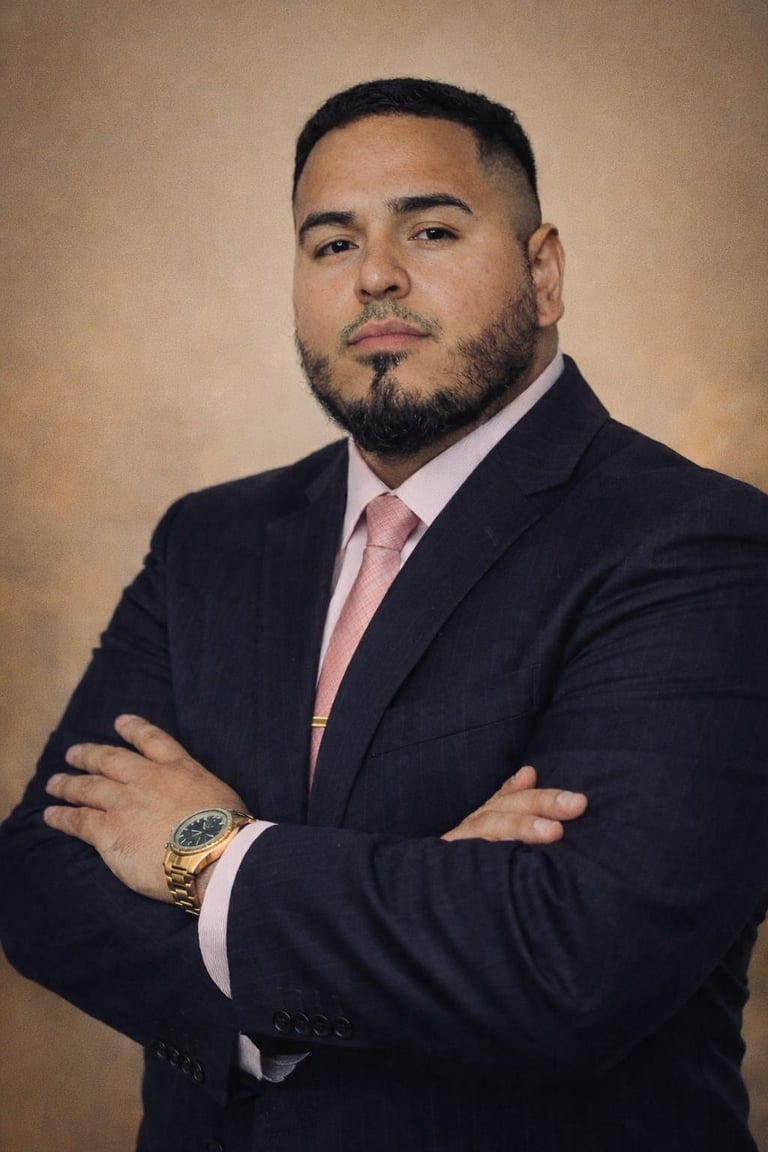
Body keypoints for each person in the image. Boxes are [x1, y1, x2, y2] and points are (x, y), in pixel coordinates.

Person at [1, 77, 767, 1152]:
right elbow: (41, 880)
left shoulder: (697, 545)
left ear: (543, 272)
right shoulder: (209, 543)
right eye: (330, 244)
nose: (376, 277)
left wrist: (203, 854)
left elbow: (570, 962)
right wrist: (427, 902)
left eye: (433, 228)